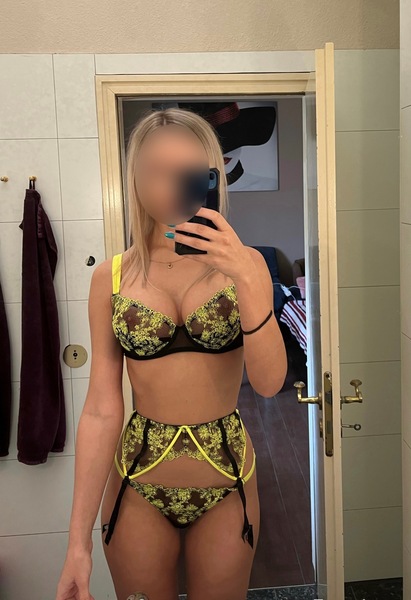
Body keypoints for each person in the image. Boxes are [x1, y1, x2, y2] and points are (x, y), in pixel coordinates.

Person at [56, 107, 287, 600]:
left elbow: (270, 384)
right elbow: (101, 408)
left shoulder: (247, 266)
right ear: (134, 181)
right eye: (155, 172)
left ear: (212, 178)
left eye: (186, 174)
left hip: (227, 477)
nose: (169, 188)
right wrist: (77, 544)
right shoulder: (110, 278)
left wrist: (247, 277)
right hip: (137, 481)